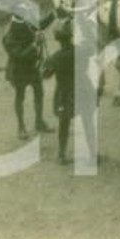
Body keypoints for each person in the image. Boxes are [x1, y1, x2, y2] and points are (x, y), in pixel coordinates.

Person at [2, 12, 54, 139]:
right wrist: (35, 44)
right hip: (18, 70)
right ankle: (21, 127)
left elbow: (39, 24)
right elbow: (19, 55)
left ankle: (39, 122)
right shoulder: (9, 37)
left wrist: (53, 14)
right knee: (20, 96)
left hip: (32, 67)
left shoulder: (24, 24)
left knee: (39, 92)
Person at [42, 17, 76, 164]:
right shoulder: (81, 51)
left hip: (64, 94)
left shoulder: (55, 58)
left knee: (64, 124)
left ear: (57, 38)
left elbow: (45, 75)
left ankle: (61, 154)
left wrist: (45, 61)